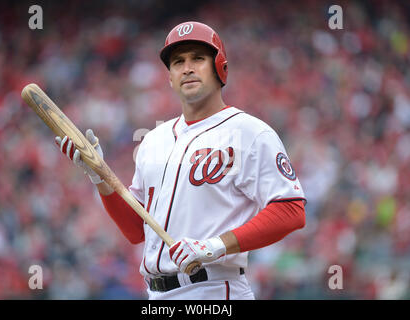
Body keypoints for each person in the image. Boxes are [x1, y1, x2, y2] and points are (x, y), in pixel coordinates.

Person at [55, 21, 307, 300]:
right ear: (170, 77)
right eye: (178, 62)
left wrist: (214, 246)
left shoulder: (249, 132)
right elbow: (137, 230)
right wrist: (100, 177)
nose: (187, 67)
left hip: (215, 290)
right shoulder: (153, 140)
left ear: (219, 66)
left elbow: (290, 210)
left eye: (198, 58)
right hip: (156, 295)